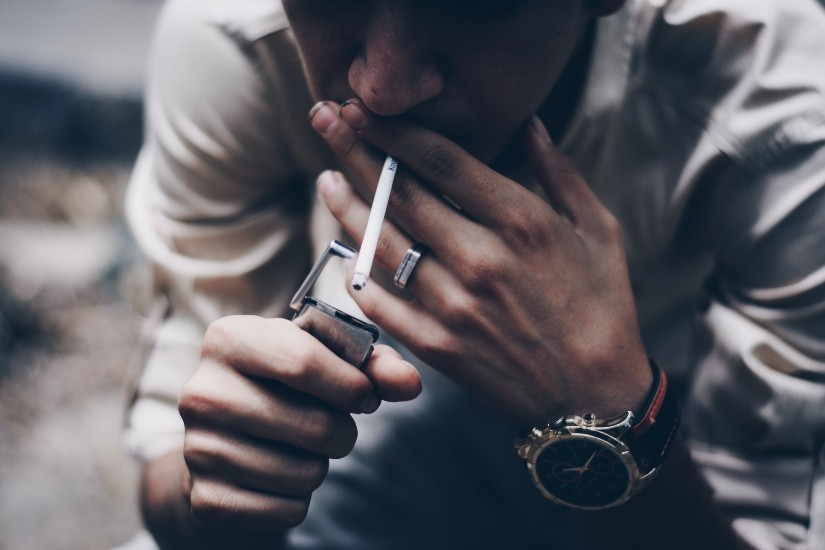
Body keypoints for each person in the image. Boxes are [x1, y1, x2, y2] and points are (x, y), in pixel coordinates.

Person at [123, 0, 825, 548]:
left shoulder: (783, 121)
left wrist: (607, 410)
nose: (383, 85)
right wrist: (222, 480)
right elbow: (172, 459)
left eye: (471, 3)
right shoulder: (233, 40)